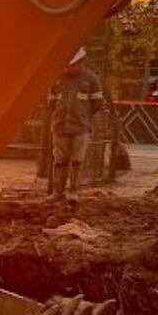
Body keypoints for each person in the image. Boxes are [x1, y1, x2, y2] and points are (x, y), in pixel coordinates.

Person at [47, 47, 103, 204]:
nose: (68, 68)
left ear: (81, 63)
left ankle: (73, 192)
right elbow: (51, 102)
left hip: (81, 127)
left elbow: (97, 103)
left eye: (72, 64)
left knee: (77, 160)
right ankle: (58, 192)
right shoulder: (57, 78)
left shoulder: (91, 79)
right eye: (66, 64)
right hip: (60, 126)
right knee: (59, 160)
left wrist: (83, 116)